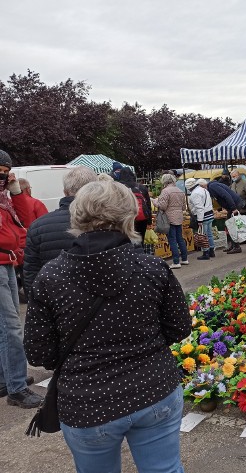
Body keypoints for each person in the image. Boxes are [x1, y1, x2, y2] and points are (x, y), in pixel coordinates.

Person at [24, 180, 191, 473]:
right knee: (164, 469)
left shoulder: (50, 277)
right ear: (128, 216)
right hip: (153, 390)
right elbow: (179, 328)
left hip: (87, 401)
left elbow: (38, 352)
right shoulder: (150, 268)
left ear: (76, 215)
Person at [0, 149, 43, 408]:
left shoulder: (5, 199)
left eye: (6, 173)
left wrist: (16, 192)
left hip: (8, 262)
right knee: (11, 327)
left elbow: (26, 222)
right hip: (2, 262)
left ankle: (7, 378)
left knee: (6, 326)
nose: (3, 178)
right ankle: (16, 387)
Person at [23, 166, 98, 296]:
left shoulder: (37, 226)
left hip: (55, 300)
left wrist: (37, 305)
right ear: (95, 190)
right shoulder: (109, 222)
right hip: (97, 303)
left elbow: (31, 274)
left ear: (65, 191)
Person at [155, 174, 188, 269]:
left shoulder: (165, 191)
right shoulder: (180, 191)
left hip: (169, 218)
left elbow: (163, 206)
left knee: (172, 239)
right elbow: (183, 207)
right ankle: (185, 259)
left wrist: (155, 202)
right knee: (180, 238)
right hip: (179, 217)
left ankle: (176, 261)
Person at [207, 180, 243, 254]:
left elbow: (226, 195)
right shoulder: (214, 185)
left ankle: (236, 247)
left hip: (234, 205)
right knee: (228, 225)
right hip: (233, 205)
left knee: (231, 226)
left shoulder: (212, 186)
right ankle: (233, 246)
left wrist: (233, 208)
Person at [116, 167, 152, 240]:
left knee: (127, 240)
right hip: (142, 217)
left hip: (127, 218)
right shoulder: (141, 187)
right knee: (140, 239)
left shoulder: (118, 188)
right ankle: (140, 250)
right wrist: (149, 221)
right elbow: (148, 205)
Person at [186, 178, 215, 260]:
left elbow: (199, 208)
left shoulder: (195, 194)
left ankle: (206, 252)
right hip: (210, 214)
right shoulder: (203, 190)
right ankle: (211, 250)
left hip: (204, 216)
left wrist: (200, 220)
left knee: (203, 235)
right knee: (209, 234)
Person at [230, 170, 246, 246]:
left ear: (238, 175)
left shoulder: (245, 183)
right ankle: (243, 239)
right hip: (238, 208)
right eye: (232, 177)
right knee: (241, 225)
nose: (233, 178)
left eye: (234, 176)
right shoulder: (233, 184)